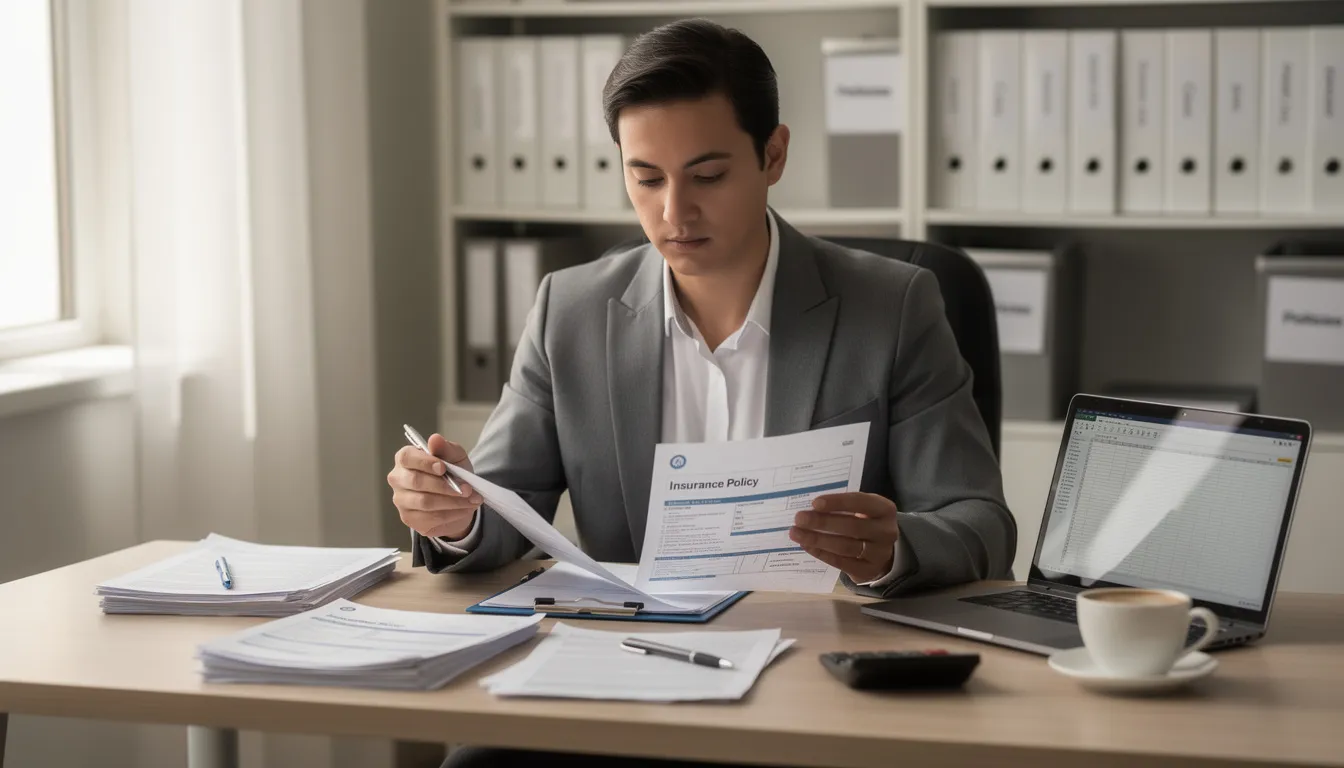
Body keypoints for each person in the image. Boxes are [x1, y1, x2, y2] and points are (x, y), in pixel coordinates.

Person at [389, 18, 1015, 767]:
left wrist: (890, 550)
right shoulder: (571, 311)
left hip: (818, 684)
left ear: (773, 155)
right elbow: (500, 516)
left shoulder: (894, 306)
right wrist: (454, 513)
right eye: (645, 177)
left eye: (708, 175)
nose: (673, 214)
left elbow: (982, 525)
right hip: (630, 677)